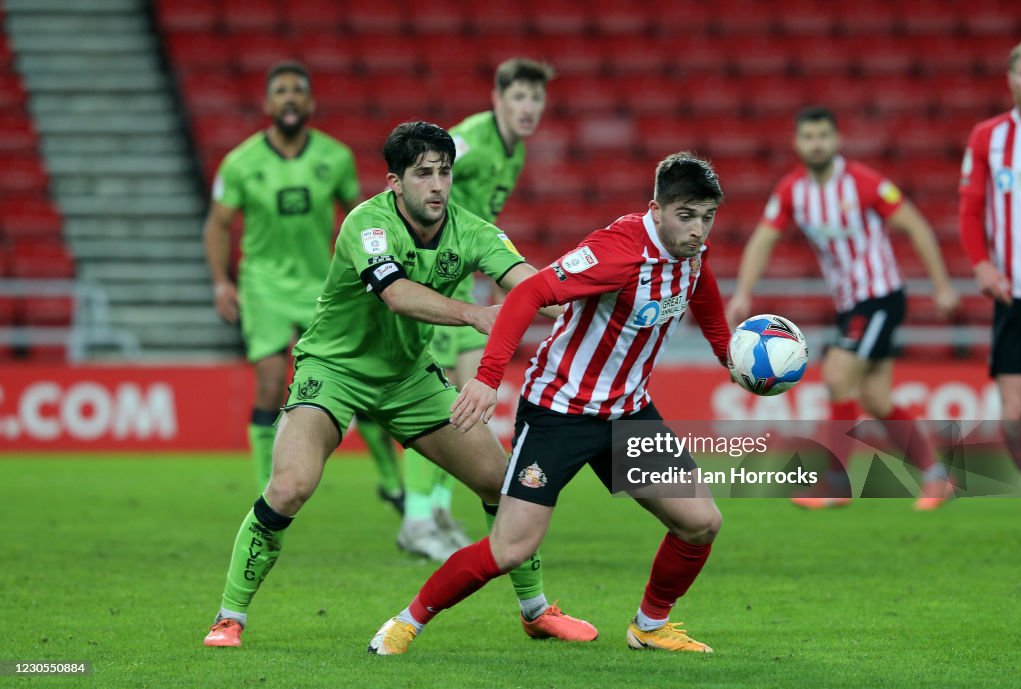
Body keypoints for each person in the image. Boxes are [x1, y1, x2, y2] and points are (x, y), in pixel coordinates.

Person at [203, 121, 595, 648]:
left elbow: (530, 280)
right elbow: (397, 294)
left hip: (408, 378)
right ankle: (230, 616)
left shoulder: (472, 230)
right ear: (395, 182)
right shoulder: (367, 225)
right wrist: (475, 315)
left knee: (503, 484)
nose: (437, 185)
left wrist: (583, 289)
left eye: (445, 173)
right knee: (290, 486)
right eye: (423, 173)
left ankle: (535, 610)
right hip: (333, 369)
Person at [369, 152, 732, 655]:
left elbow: (705, 296)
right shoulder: (617, 251)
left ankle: (649, 626)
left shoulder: (692, 253)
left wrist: (730, 358)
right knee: (512, 548)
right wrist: (488, 377)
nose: (697, 230)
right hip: (561, 411)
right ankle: (407, 622)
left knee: (700, 522)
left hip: (626, 413)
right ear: (656, 207)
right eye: (686, 216)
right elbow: (528, 295)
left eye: (707, 217)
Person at [725, 106, 960, 510]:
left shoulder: (863, 183)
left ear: (836, 141)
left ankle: (835, 483)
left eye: (823, 136)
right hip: (850, 304)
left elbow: (915, 225)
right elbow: (764, 239)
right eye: (808, 137)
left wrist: (941, 286)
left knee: (836, 375)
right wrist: (744, 292)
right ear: (797, 143)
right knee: (877, 399)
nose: (817, 143)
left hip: (880, 296)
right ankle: (937, 478)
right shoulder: (792, 191)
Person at [202, 61, 403, 510]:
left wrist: (370, 271)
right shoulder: (240, 162)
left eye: (298, 91)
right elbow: (217, 225)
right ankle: (266, 489)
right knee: (272, 382)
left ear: (310, 103)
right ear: (268, 103)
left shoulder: (335, 158)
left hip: (321, 285)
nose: (290, 98)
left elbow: (362, 218)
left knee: (357, 376)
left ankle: (393, 482)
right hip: (264, 286)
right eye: (281, 91)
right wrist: (220, 282)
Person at [398, 57, 556, 561]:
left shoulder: (516, 153)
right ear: (497, 99)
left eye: (535, 98)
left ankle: (438, 509)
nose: (528, 108)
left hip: (466, 282)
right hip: (437, 281)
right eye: (519, 98)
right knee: (437, 399)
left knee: (467, 403)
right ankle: (416, 517)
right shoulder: (467, 141)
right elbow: (419, 176)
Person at [959, 39, 1021, 475]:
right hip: (1013, 296)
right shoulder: (989, 136)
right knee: (1015, 415)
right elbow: (970, 208)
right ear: (1010, 78)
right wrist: (981, 263)